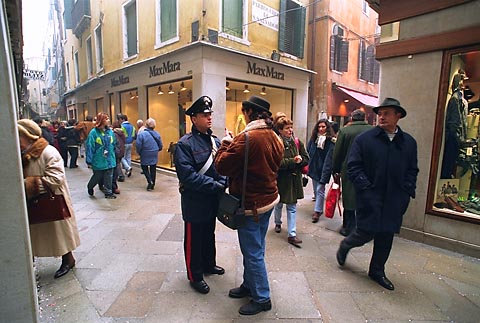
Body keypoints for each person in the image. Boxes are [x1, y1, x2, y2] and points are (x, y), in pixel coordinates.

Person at [336, 98, 419, 291]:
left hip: (395, 199)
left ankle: (377, 270)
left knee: (386, 236)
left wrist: (407, 189)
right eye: (380, 113)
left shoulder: (408, 143)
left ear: (398, 116)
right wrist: (365, 189)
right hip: (370, 197)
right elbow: (353, 167)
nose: (382, 116)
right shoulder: (365, 139)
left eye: (387, 113)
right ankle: (346, 245)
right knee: (364, 233)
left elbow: (412, 169)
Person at [215, 96, 284, 316]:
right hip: (268, 200)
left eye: (244, 111)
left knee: (253, 252)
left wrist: (226, 142)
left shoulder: (247, 138)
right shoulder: (274, 135)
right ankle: (249, 285)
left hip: (251, 204)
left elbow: (221, 166)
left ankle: (262, 297)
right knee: (255, 248)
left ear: (248, 112)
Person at [174, 96, 227, 295]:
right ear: (194, 119)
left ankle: (208, 264)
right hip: (194, 201)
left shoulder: (215, 141)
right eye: (204, 115)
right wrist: (215, 185)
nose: (209, 117)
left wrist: (224, 181)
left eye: (209, 114)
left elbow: (221, 166)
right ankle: (195, 275)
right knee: (193, 240)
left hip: (211, 198)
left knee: (208, 234)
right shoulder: (184, 144)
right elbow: (188, 176)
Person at [18, 119, 80, 279]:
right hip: (36, 201)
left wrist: (26, 185)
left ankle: (68, 259)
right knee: (38, 232)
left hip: (52, 199)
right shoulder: (24, 154)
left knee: (59, 233)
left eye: (19, 135)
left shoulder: (48, 152)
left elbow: (56, 178)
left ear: (28, 136)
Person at [332, 109, 372, 236]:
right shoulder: (373, 130)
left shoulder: (345, 131)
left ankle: (347, 227)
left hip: (349, 169)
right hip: (368, 170)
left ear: (352, 118)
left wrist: (335, 170)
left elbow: (338, 153)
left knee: (349, 199)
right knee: (365, 197)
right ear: (364, 118)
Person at [272, 115, 309, 247]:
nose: (290, 130)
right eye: (287, 128)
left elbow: (306, 158)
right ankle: (277, 222)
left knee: (292, 206)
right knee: (279, 203)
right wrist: (292, 161)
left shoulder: (297, 142)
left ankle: (292, 234)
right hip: (281, 179)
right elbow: (276, 163)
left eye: (291, 127)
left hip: (294, 180)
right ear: (280, 130)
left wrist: (301, 160)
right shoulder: (276, 143)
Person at [306, 119, 335, 223]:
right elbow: (308, 150)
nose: (321, 129)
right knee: (316, 189)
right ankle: (318, 206)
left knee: (320, 189)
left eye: (323, 127)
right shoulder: (314, 138)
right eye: (319, 127)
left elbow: (330, 157)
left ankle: (317, 211)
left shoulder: (331, 141)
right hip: (314, 167)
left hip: (323, 168)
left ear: (327, 127)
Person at [85, 112, 117, 199]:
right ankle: (90, 186)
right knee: (97, 176)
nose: (109, 120)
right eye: (106, 119)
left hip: (110, 159)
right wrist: (89, 160)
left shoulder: (110, 132)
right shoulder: (93, 133)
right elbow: (90, 147)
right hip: (98, 159)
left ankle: (108, 192)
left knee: (109, 176)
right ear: (101, 120)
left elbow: (114, 143)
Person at [136, 118, 163, 191]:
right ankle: (153, 183)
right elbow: (160, 143)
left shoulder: (142, 134)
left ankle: (149, 180)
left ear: (146, 125)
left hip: (145, 151)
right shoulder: (156, 133)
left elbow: (138, 144)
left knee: (144, 166)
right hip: (154, 151)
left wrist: (139, 152)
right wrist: (159, 149)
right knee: (153, 167)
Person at [111, 121, 126, 194]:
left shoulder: (114, 134)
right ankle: (122, 173)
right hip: (122, 150)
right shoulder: (122, 133)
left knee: (116, 165)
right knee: (118, 163)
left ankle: (121, 175)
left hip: (117, 151)